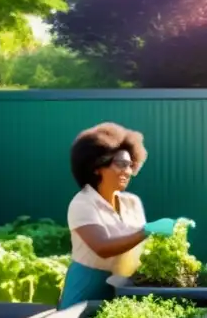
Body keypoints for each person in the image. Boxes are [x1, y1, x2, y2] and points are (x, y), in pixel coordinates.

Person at [61, 122, 191, 308]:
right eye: (121, 164)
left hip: (124, 291)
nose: (128, 171)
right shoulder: (83, 203)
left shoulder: (132, 202)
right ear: (96, 166)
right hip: (87, 288)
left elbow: (142, 249)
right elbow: (102, 247)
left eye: (130, 165)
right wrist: (146, 231)